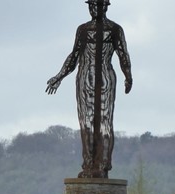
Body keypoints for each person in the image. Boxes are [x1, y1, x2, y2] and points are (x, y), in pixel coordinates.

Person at [46, 0, 132, 178]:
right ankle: (88, 165)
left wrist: (128, 75)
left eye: (98, 5)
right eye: (92, 5)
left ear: (106, 6)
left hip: (105, 79)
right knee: (86, 122)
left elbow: (123, 54)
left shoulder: (115, 29)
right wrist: (59, 76)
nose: (94, 8)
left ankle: (102, 165)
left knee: (105, 122)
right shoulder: (83, 30)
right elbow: (74, 55)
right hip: (85, 79)